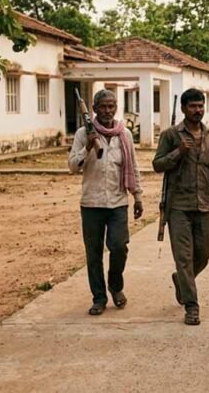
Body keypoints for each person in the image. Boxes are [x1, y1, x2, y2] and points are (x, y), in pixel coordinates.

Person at [153, 88, 209, 326]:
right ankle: (192, 306)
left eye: (200, 106)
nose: (198, 110)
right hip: (178, 207)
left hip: (204, 205)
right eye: (193, 106)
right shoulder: (170, 135)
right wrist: (178, 152)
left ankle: (182, 281)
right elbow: (157, 165)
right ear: (184, 108)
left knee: (204, 253)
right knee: (184, 258)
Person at [68, 89, 143, 316]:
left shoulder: (124, 134)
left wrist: (137, 196)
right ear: (94, 109)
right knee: (94, 254)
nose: (108, 111)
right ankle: (99, 298)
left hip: (118, 202)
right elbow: (72, 166)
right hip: (91, 203)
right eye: (103, 106)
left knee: (119, 247)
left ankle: (115, 286)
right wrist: (88, 147)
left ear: (116, 107)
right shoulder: (83, 133)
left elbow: (133, 167)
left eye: (111, 106)